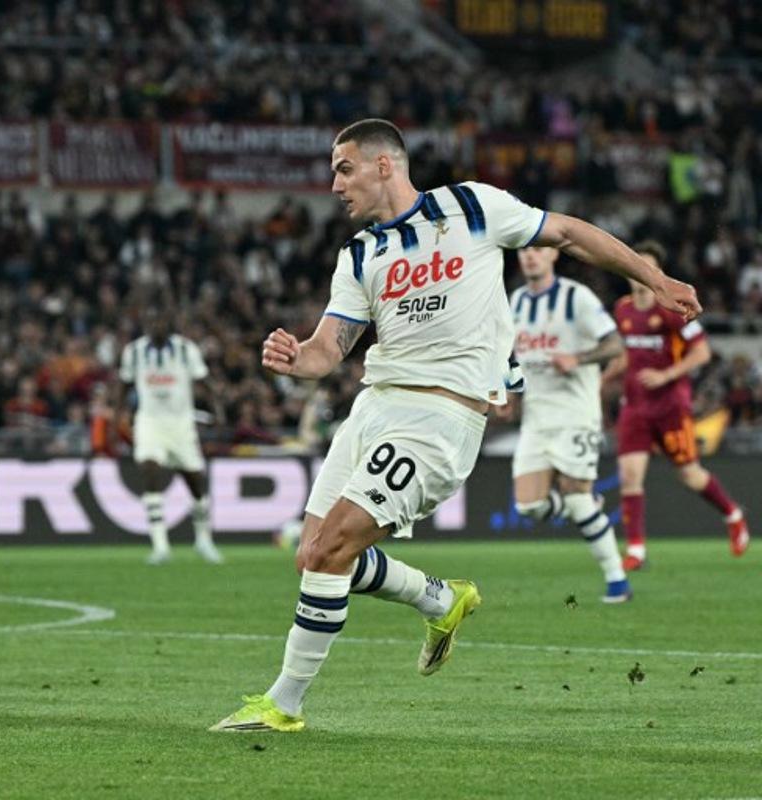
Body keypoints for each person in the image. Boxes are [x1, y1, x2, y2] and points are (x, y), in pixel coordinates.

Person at [211, 118, 699, 733]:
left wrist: (653, 278)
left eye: (343, 168)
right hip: (373, 408)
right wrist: (294, 359)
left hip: (440, 418)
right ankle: (439, 599)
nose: (334, 184)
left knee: (332, 549)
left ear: (383, 164)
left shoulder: (471, 206)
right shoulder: (361, 253)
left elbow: (570, 234)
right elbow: (326, 350)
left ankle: (283, 705)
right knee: (313, 555)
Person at [604, 241, 749, 569]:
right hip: (635, 407)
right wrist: (604, 379)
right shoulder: (623, 309)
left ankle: (733, 513)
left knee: (689, 475)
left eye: (648, 267)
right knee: (630, 474)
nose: (640, 274)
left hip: (670, 406)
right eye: (634, 265)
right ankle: (636, 550)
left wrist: (666, 374)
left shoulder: (670, 307)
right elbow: (629, 354)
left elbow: (702, 352)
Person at [503, 246, 629, 602]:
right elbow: (508, 355)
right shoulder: (515, 302)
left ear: (553, 256)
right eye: (525, 249)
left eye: (539, 249)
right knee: (529, 506)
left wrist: (579, 357)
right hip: (536, 418)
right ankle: (588, 506)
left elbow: (616, 345)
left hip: (576, 413)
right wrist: (507, 394)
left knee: (575, 493)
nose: (531, 256)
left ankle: (617, 581)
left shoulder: (577, 298)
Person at [118, 305, 222, 565]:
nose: (157, 327)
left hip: (181, 424)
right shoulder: (134, 352)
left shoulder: (187, 350)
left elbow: (205, 382)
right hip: (150, 421)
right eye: (152, 322)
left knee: (195, 480)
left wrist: (218, 410)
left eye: (161, 322)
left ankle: (203, 539)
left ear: (169, 324)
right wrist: (116, 415)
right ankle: (160, 545)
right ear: (146, 324)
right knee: (149, 469)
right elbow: (123, 384)